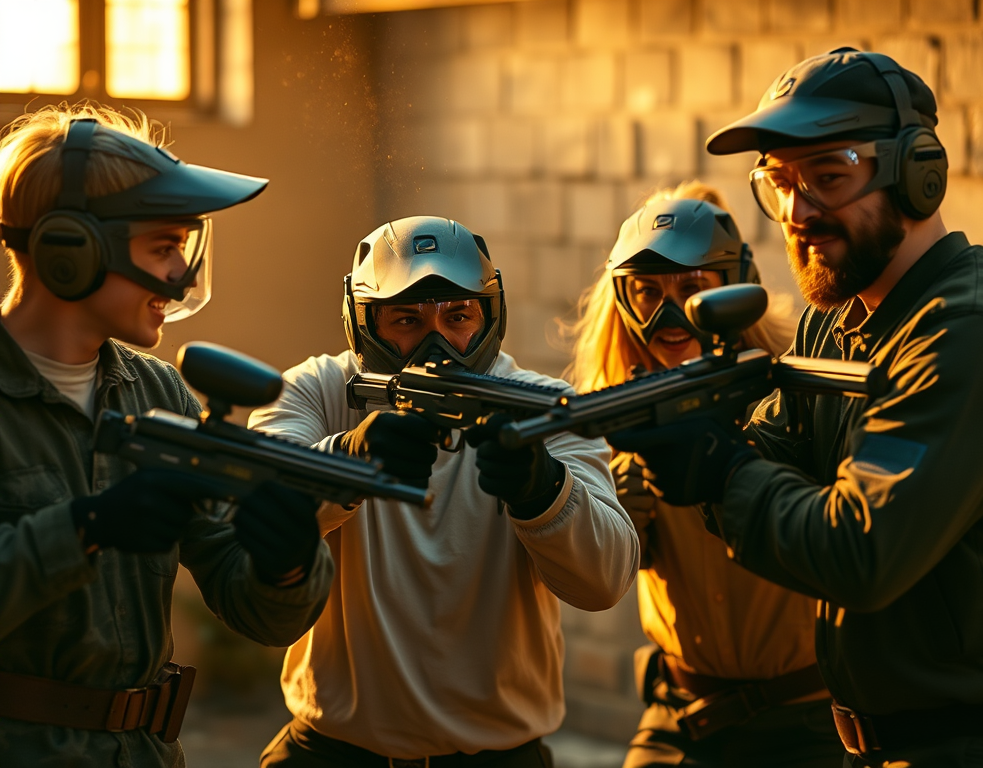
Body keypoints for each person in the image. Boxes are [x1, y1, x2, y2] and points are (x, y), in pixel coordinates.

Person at [609, 47, 983, 768]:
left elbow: (860, 551)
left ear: (917, 174)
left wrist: (718, 469)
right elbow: (771, 453)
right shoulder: (836, 319)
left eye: (828, 178)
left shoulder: (968, 330)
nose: (798, 213)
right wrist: (682, 427)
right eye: (779, 184)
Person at [0, 105, 334, 768]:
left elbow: (258, 613)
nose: (181, 273)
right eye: (163, 247)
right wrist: (85, 527)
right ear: (70, 250)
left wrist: (287, 562)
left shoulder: (160, 394)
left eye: (184, 247)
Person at [250, 215, 640, 768]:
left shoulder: (541, 407)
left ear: (488, 317)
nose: (437, 342)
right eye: (406, 318)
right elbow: (256, 504)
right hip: (334, 750)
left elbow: (605, 581)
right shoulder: (319, 390)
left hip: (497, 756)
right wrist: (349, 460)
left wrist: (544, 490)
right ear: (362, 324)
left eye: (458, 315)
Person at [564, 181, 843, 768]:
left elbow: (841, 534)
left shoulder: (794, 388)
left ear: (732, 290)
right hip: (680, 715)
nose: (670, 314)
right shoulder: (616, 410)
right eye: (646, 292)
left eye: (693, 290)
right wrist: (616, 510)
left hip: (809, 721)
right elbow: (597, 574)